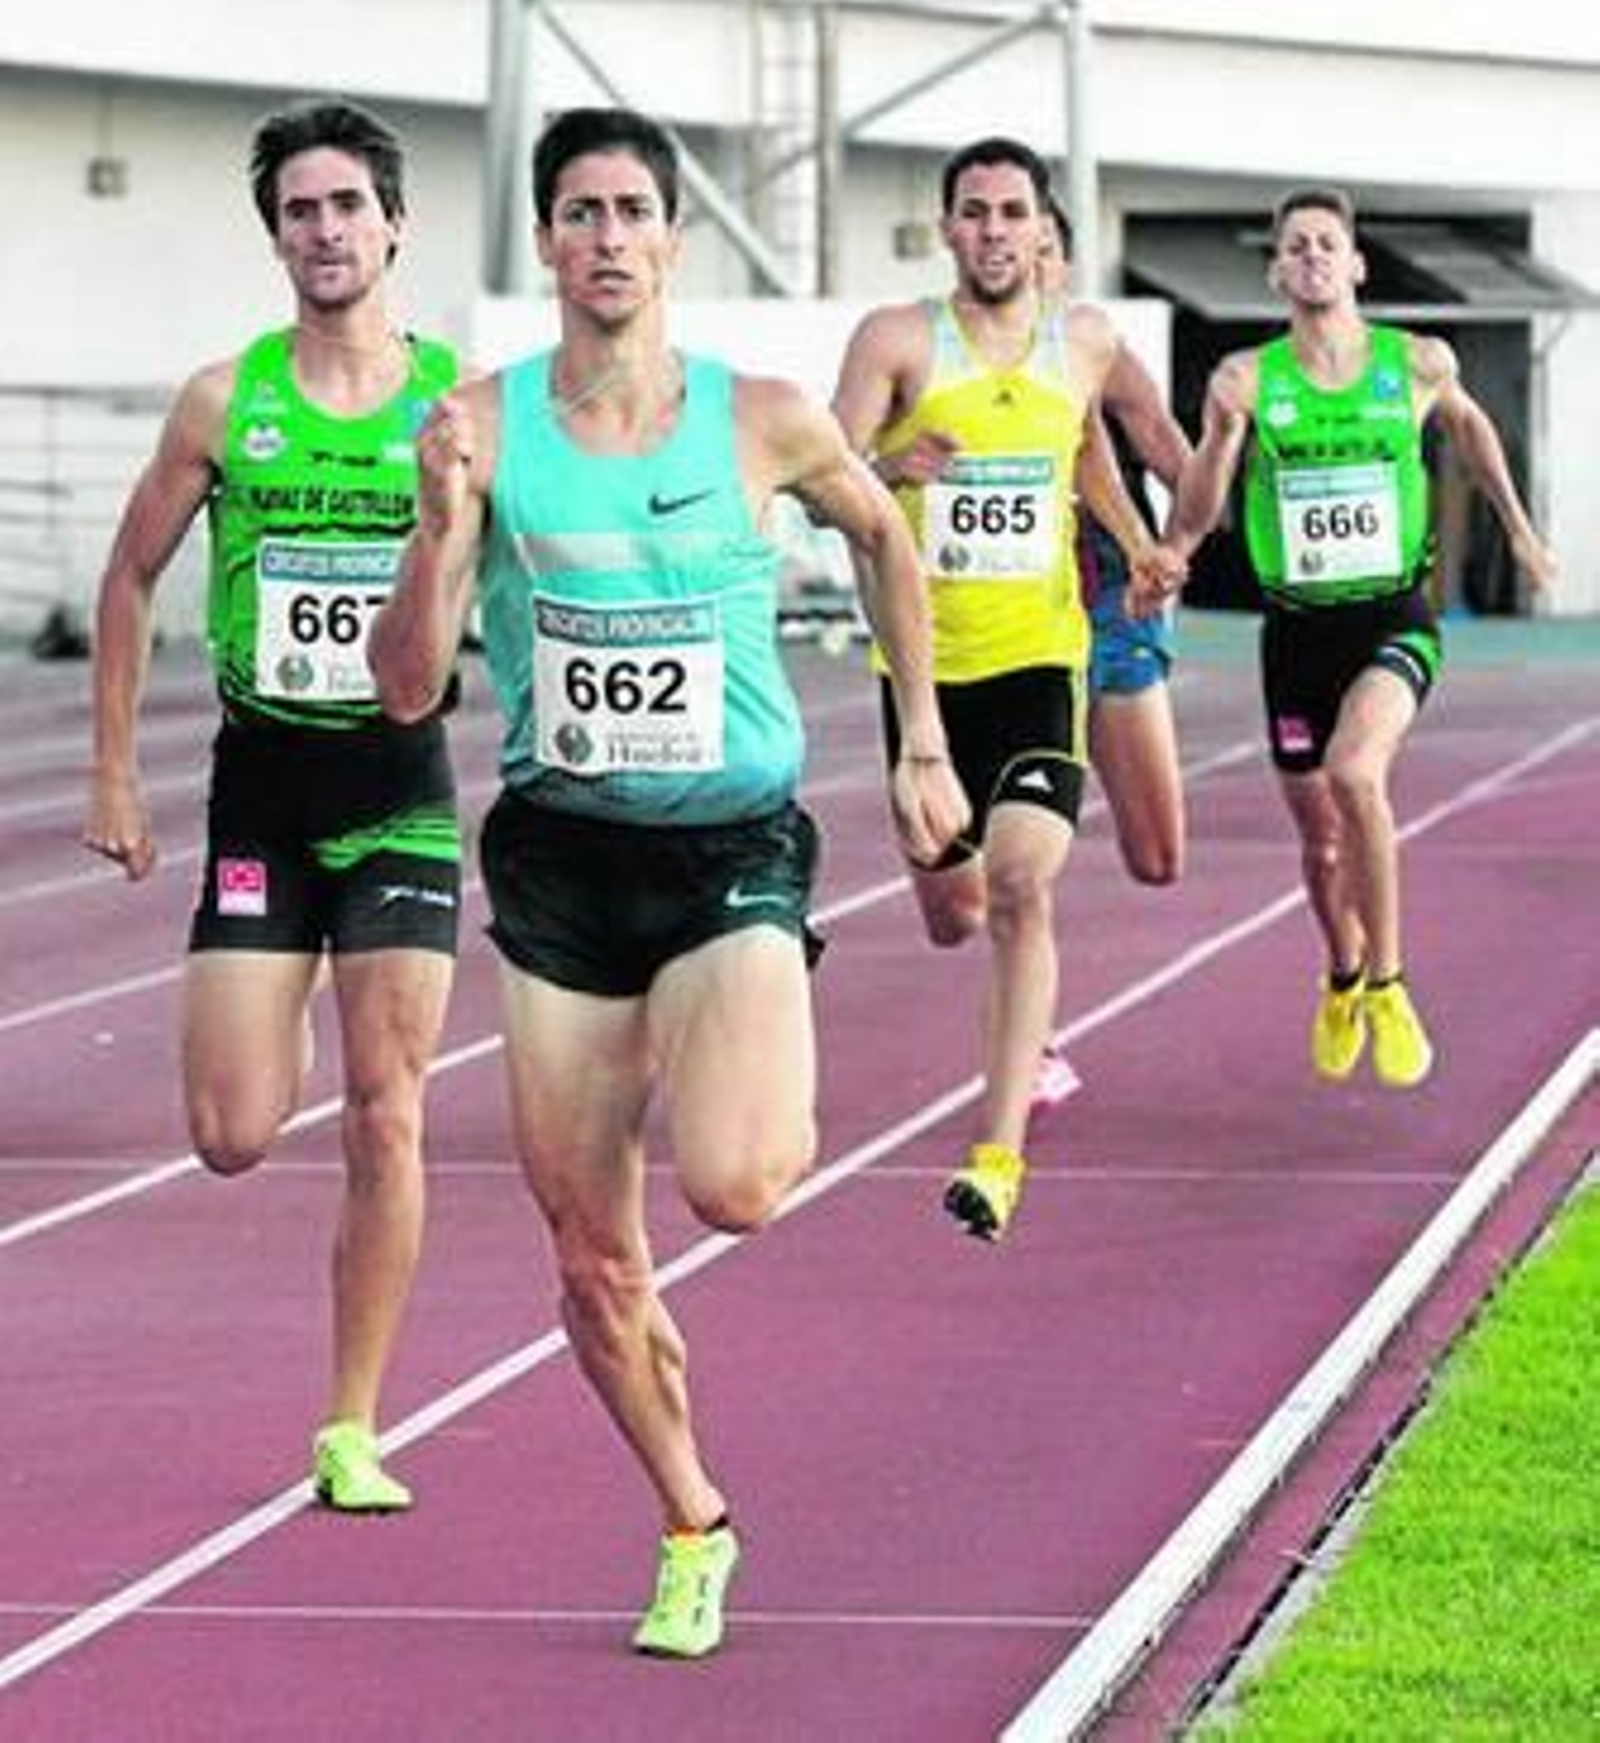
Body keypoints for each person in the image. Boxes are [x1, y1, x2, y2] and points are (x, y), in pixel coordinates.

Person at [368, 106, 966, 1659]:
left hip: (730, 849)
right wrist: (438, 533)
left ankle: (747, 1082)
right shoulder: (480, 430)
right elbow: (405, 690)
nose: (610, 236)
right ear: (548, 241)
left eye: (635, 208)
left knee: (741, 1185)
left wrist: (920, 742)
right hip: (563, 862)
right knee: (590, 1254)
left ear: (673, 238)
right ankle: (695, 1515)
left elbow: (890, 538)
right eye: (581, 211)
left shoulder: (761, 417)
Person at [83, 98, 464, 1512]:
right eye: (299, 211)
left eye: (346, 206)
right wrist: (115, 767)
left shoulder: (457, 408)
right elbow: (126, 577)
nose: (325, 230)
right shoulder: (220, 401)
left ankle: (352, 1423)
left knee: (390, 1110)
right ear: (277, 237)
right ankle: (280, 986)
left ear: (394, 224)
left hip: (399, 789)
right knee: (235, 1131)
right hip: (262, 790)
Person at [831, 136, 1184, 1245]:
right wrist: (892, 472)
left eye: (1011, 213)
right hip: (924, 676)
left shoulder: (1081, 341)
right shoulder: (896, 340)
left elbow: (1092, 454)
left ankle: (996, 1158)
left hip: (1041, 659)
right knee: (955, 912)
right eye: (973, 213)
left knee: (1025, 887)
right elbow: (820, 476)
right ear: (947, 230)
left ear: (1044, 232)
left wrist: (1139, 543)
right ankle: (1013, 1020)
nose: (992, 231)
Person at [1167, 186, 1556, 1087]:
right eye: (1295, 245)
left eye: (1326, 244)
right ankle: (1342, 970)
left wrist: (1521, 529)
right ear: (1276, 270)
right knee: (1319, 838)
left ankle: (1388, 981)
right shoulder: (1247, 379)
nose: (1311, 257)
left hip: (1393, 615)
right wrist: (1211, 467)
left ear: (1356, 265)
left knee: (1356, 775)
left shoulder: (1415, 363)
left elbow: (1470, 426)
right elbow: (1197, 512)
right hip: (1297, 634)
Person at [1039, 197, 1193, 890]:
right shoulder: (944, 360)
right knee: (999, 877)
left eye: (1045, 247)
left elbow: (1168, 450)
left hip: (1108, 603)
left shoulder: (1096, 350)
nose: (1025, 258)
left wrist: (1179, 547)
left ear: (1064, 265)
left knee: (1157, 856)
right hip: (997, 620)